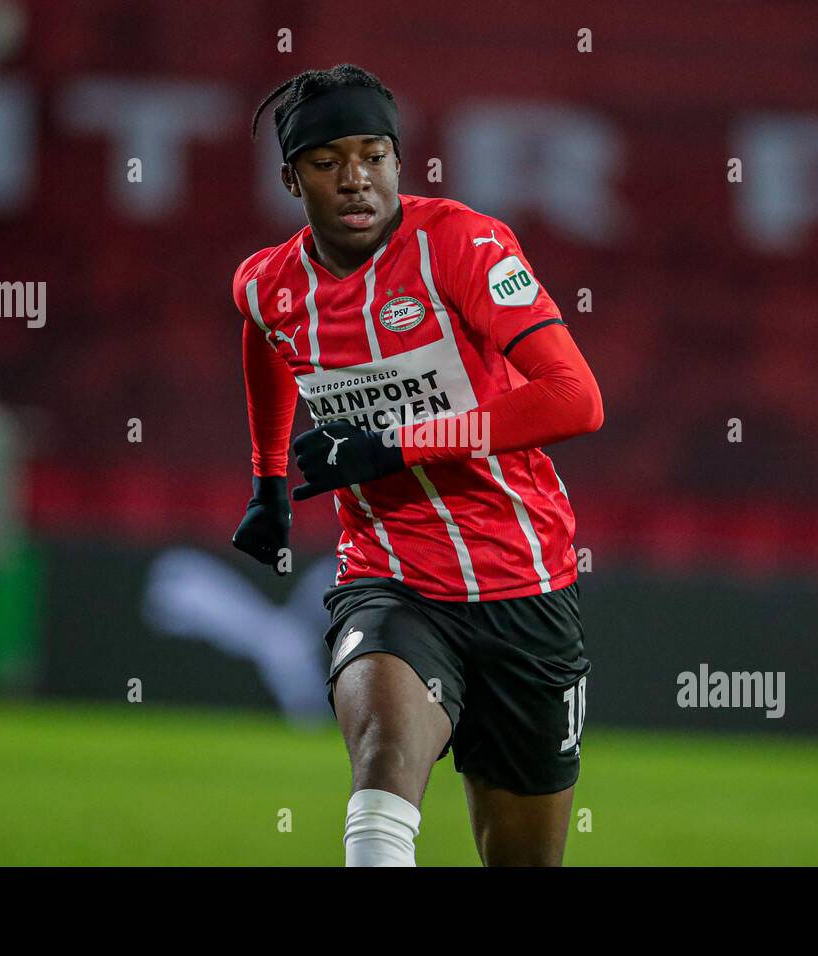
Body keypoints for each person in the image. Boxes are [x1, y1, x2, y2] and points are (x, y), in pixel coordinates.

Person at [230, 63, 603, 866]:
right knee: (382, 767)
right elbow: (264, 347)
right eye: (329, 162)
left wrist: (392, 445)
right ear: (292, 178)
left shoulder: (463, 245)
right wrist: (267, 484)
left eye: (375, 156)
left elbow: (576, 399)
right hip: (392, 578)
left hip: (526, 584)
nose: (356, 180)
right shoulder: (269, 287)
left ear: (401, 161)